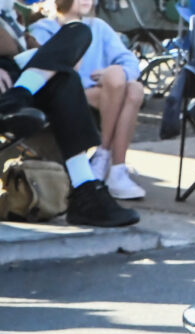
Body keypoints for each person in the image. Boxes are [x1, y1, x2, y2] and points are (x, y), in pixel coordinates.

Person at [27, 0, 148, 202]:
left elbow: (130, 61)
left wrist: (116, 75)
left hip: (107, 92)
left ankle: (112, 164)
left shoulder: (98, 26)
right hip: (67, 94)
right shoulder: (44, 29)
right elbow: (48, 69)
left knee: (133, 88)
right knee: (117, 83)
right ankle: (111, 163)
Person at [5, 18, 136, 226]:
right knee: (67, 79)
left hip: (19, 72)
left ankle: (20, 93)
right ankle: (85, 192)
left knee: (78, 32)